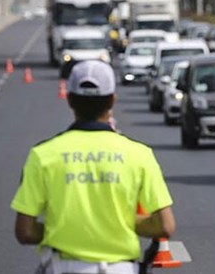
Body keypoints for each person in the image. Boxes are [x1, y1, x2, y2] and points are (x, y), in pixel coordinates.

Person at [11, 60, 176, 273]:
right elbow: (165, 226)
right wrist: (116, 223)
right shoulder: (139, 154)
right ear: (112, 101)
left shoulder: (42, 155)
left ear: (69, 100)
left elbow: (25, 232)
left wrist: (65, 228)